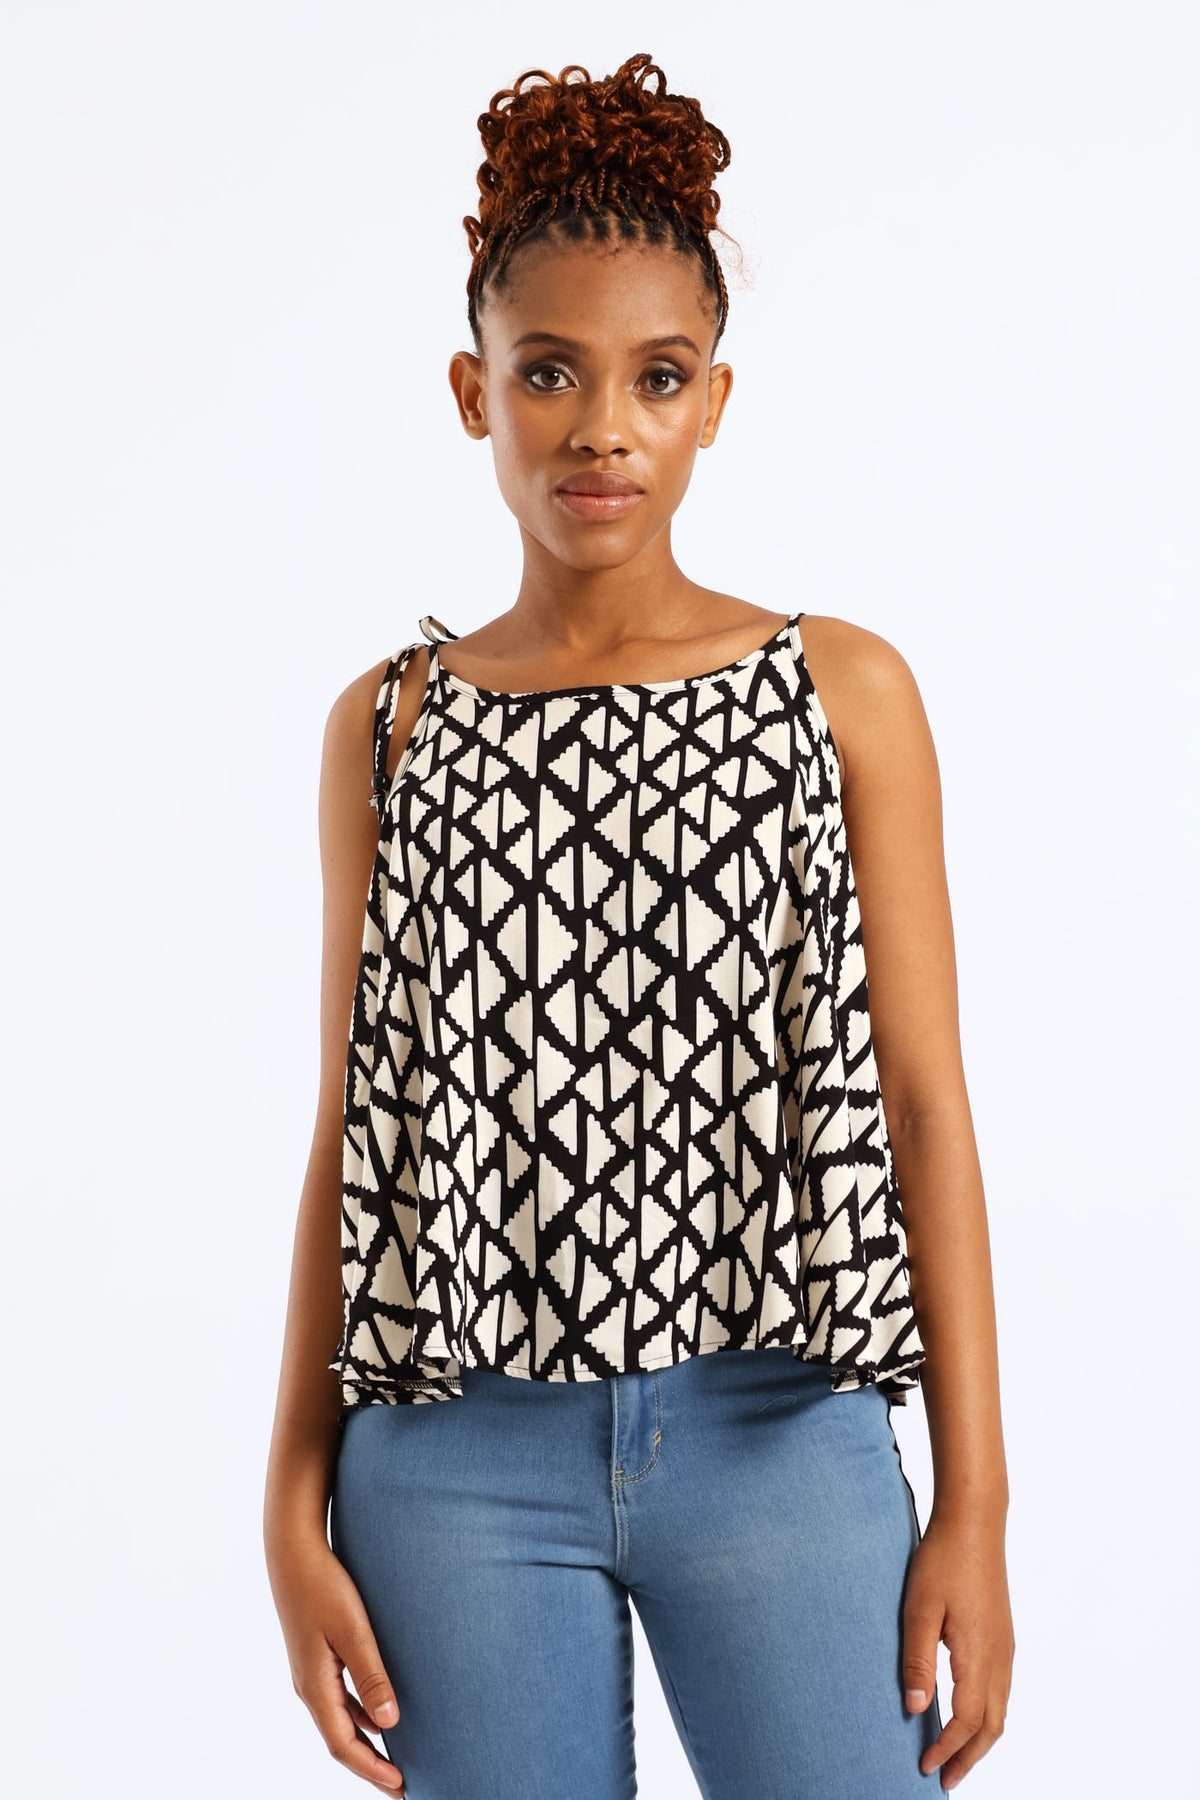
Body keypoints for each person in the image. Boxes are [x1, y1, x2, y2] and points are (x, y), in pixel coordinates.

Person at [264, 52, 1014, 1800]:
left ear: (713, 401)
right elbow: (356, 1130)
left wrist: (974, 1503)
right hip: (451, 1457)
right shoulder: (389, 728)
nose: (602, 426)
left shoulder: (839, 694)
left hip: (783, 1427)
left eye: (656, 377)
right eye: (550, 372)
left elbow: (925, 1106)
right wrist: (290, 1505)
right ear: (474, 391)